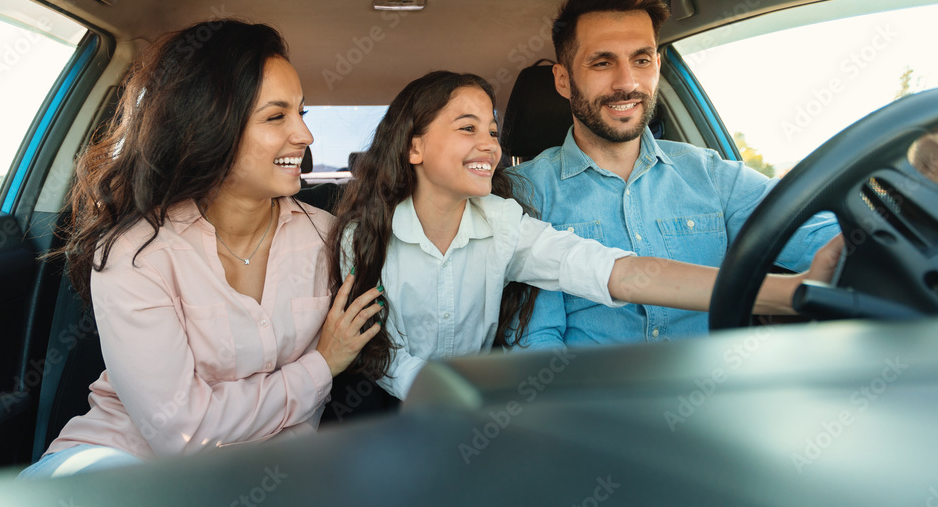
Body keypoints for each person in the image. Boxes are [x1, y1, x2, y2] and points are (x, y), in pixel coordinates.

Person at [326, 71, 842, 400]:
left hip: (472, 408)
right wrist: (445, 393)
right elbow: (375, 349)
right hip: (387, 403)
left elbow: (620, 271)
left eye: (491, 129)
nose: (488, 143)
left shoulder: (503, 224)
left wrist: (792, 291)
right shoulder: (363, 236)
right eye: (467, 128)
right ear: (414, 148)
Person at [18, 20, 382, 479]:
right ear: (209, 126)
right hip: (121, 467)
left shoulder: (330, 239)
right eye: (276, 117)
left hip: (268, 480)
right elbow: (181, 436)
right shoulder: (136, 252)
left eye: (302, 114)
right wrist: (321, 366)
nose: (305, 137)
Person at [507, 0, 840, 349]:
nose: (627, 82)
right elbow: (535, 346)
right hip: (596, 400)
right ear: (564, 80)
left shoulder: (712, 176)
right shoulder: (522, 194)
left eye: (642, 60)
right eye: (603, 62)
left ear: (657, 66)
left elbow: (822, 237)